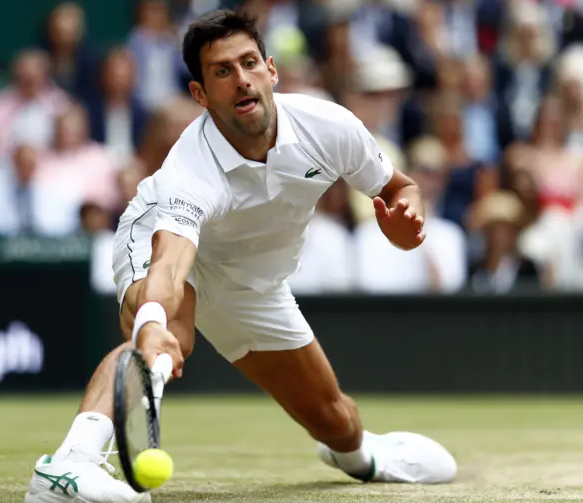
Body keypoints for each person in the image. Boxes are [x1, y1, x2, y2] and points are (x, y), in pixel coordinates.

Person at [26, 9, 457, 503]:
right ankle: (68, 465)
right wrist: (151, 324)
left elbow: (401, 189)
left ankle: (364, 457)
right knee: (170, 335)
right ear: (200, 95)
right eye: (222, 72)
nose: (241, 80)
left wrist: (405, 228)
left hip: (252, 282)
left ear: (271, 69)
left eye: (249, 63)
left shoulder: (330, 126)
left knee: (336, 421)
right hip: (165, 245)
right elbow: (169, 262)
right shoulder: (191, 167)